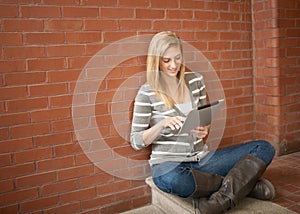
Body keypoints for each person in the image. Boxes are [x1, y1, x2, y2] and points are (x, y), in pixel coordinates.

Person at [130, 31, 275, 213]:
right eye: (166, 60)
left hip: (202, 160)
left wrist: (204, 129)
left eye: (177, 58)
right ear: (156, 60)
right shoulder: (147, 92)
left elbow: (203, 118)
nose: (173, 65)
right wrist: (161, 124)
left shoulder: (196, 81)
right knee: (172, 179)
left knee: (265, 147)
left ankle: (217, 202)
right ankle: (246, 186)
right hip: (168, 164)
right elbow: (136, 140)